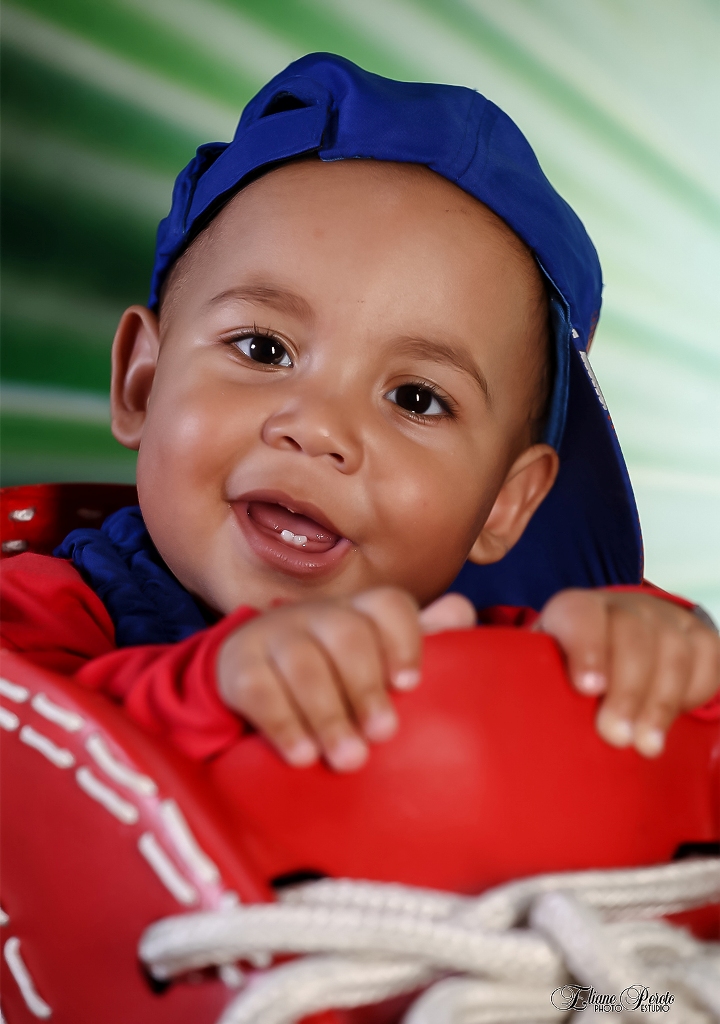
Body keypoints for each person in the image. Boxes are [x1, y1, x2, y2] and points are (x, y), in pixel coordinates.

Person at [2, 54, 718, 773]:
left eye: (416, 398)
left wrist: (648, 671)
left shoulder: (514, 656)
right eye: (264, 349)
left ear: (504, 502)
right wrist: (211, 686)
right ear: (142, 383)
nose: (319, 429)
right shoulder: (37, 615)